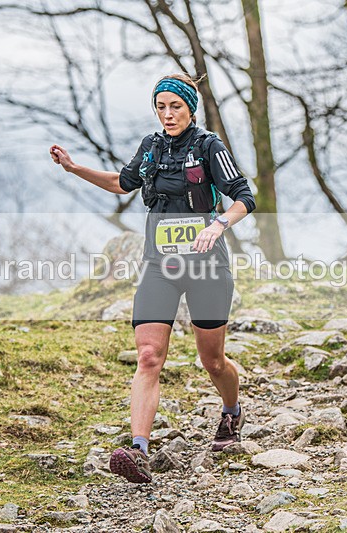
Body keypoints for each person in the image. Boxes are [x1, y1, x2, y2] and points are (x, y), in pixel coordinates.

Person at [50, 73, 256, 483]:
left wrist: (217, 225)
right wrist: (73, 168)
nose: (167, 114)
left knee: (212, 361)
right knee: (148, 356)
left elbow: (245, 198)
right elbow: (120, 183)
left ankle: (231, 411)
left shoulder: (209, 146)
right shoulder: (151, 148)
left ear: (190, 109)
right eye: (160, 106)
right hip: (160, 265)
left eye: (174, 106)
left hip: (206, 265)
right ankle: (139, 449)